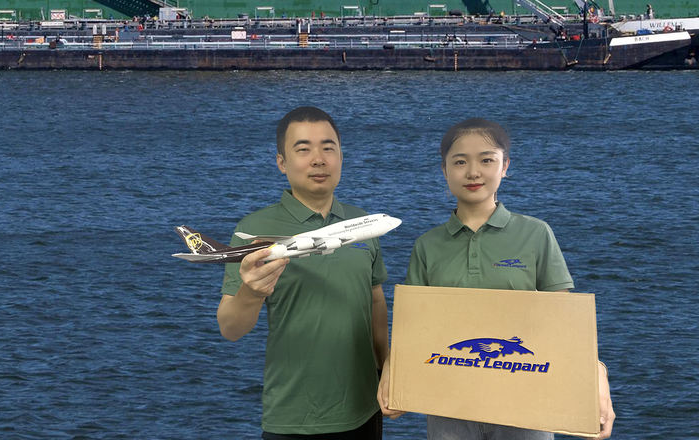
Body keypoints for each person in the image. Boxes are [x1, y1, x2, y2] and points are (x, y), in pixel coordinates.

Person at [378, 118, 615, 440]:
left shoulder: (536, 234)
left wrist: (597, 376)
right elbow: (414, 326)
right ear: (444, 169)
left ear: (505, 166)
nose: (473, 172)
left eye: (487, 160)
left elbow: (564, 322)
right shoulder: (427, 245)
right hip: (449, 404)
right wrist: (393, 372)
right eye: (460, 162)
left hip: (527, 404)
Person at [218, 106, 389, 439]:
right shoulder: (255, 231)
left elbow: (376, 302)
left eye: (328, 148)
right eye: (303, 149)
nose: (318, 160)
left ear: (341, 156)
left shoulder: (361, 224)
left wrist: (387, 369)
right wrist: (251, 292)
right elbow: (230, 329)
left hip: (365, 412)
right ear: (281, 162)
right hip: (292, 418)